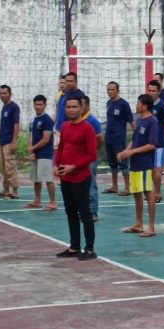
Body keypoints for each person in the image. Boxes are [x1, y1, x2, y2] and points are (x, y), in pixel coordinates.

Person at [53, 96, 98, 261]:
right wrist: (56, 165)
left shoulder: (87, 128)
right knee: (70, 212)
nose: (71, 109)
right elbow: (61, 147)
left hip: (80, 177)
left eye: (74, 107)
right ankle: (74, 246)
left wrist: (74, 166)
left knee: (84, 213)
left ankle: (90, 249)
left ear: (81, 108)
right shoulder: (64, 126)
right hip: (66, 178)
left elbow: (92, 155)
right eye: (68, 107)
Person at [118, 94, 159, 238]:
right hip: (135, 163)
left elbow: (151, 145)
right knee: (136, 193)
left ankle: (151, 227)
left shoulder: (152, 122)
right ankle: (139, 223)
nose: (136, 105)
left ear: (145, 106)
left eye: (138, 103)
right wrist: (126, 151)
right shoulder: (139, 120)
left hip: (145, 164)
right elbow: (135, 140)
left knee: (148, 193)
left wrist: (132, 152)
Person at [25, 95, 56, 211]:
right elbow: (31, 135)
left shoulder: (47, 119)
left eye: (40, 105)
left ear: (45, 105)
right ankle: (37, 200)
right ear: (33, 105)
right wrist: (31, 150)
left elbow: (46, 139)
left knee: (48, 178)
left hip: (45, 154)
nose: (38, 107)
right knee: (36, 179)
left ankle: (53, 202)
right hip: (35, 153)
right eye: (36, 104)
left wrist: (33, 148)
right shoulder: (33, 120)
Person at [103, 81, 134, 196]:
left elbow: (131, 120)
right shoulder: (108, 103)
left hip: (119, 139)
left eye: (112, 89)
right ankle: (114, 186)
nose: (110, 92)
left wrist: (137, 135)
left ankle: (127, 188)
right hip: (108, 138)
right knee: (112, 163)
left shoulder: (124, 104)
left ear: (118, 90)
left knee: (123, 163)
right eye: (108, 89)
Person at [80, 96, 104, 222]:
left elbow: (100, 139)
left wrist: (92, 151)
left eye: (82, 105)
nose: (79, 107)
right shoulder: (77, 121)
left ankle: (93, 211)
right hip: (79, 157)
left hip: (90, 158)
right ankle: (84, 211)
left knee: (91, 184)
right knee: (80, 184)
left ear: (87, 106)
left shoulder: (92, 121)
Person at [147, 80, 164, 203]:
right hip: (148, 144)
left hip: (159, 144)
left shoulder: (162, 107)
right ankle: (151, 191)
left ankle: (158, 193)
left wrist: (163, 134)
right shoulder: (146, 105)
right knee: (151, 169)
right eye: (149, 90)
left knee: (157, 169)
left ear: (159, 92)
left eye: (154, 91)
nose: (151, 93)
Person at [0, 85, 20, 199]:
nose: (2, 95)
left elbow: (16, 124)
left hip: (9, 141)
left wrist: (14, 141)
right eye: (1, 93)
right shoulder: (4, 107)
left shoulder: (14, 107)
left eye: (5, 93)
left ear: (10, 94)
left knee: (10, 166)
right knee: (2, 167)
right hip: (2, 140)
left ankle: (14, 190)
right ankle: (5, 189)